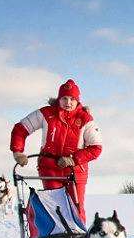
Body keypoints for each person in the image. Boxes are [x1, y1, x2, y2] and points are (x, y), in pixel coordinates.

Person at [10, 79, 102, 222]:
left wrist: (73, 159)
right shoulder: (46, 114)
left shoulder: (86, 119)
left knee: (76, 209)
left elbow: (96, 148)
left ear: (78, 101)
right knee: (55, 208)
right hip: (50, 169)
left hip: (76, 171)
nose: (68, 102)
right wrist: (18, 151)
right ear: (59, 99)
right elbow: (20, 129)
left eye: (72, 99)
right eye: (64, 98)